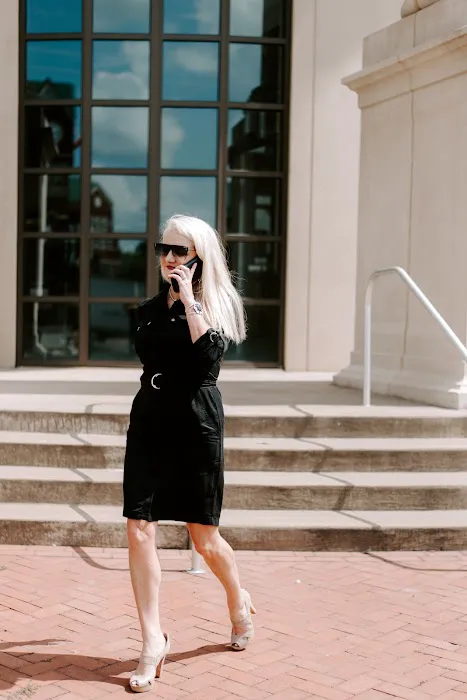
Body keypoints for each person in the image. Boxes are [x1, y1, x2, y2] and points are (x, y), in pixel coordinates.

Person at [123, 214, 256, 693]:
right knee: (139, 527)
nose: (169, 258)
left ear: (200, 258)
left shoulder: (215, 306)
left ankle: (237, 599)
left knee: (205, 540)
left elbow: (207, 361)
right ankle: (151, 640)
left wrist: (190, 302)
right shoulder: (148, 308)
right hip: (150, 420)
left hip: (196, 423)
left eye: (180, 251)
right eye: (164, 249)